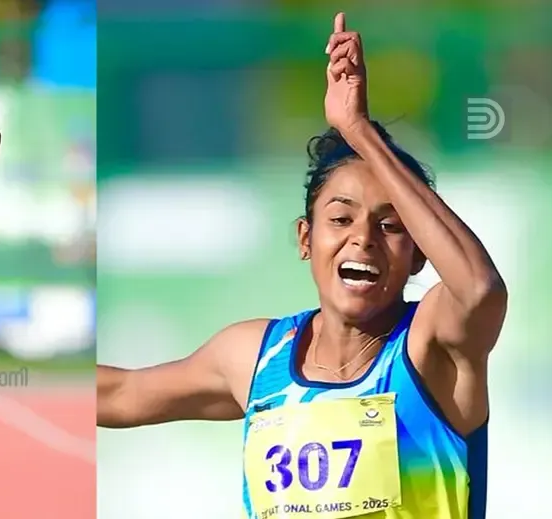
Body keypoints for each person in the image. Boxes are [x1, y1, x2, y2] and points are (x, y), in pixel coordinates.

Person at [96, 13, 507, 519]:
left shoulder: (432, 345)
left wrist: (358, 131)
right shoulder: (255, 357)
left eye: (390, 225)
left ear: (420, 252)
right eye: (341, 218)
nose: (362, 238)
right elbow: (120, 394)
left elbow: (480, 288)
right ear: (306, 239)